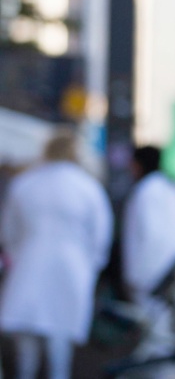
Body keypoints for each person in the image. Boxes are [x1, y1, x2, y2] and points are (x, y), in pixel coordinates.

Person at [0, 129, 114, 379]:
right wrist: (92, 266)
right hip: (71, 269)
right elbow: (101, 236)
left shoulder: (26, 183)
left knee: (27, 343)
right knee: (59, 343)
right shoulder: (87, 187)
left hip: (28, 265)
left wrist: (16, 256)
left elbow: (8, 232)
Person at [121, 145, 175, 366]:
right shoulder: (173, 188)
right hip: (171, 271)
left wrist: (134, 277)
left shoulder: (145, 191)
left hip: (149, 275)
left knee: (154, 337)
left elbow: (145, 236)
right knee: (162, 333)